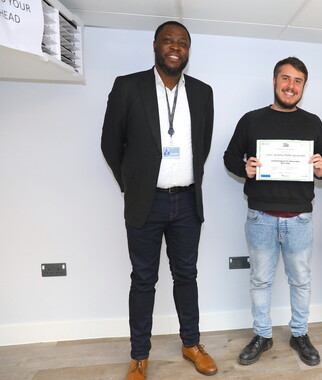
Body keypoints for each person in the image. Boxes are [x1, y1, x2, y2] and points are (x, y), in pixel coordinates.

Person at [101, 21, 217, 379]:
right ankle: (139, 355)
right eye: (168, 40)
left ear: (187, 51)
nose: (175, 47)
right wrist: (133, 184)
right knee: (143, 280)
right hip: (145, 203)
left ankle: (191, 344)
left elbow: (204, 144)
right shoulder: (127, 87)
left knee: (187, 276)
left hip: (186, 203)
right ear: (155, 45)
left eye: (182, 42)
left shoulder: (202, 92)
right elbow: (110, 144)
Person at [223, 57, 322, 367]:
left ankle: (299, 334)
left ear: (303, 87)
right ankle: (263, 334)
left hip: (299, 218)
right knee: (260, 281)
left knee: (301, 281)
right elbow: (230, 157)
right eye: (285, 78)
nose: (291, 86)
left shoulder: (313, 122)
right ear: (274, 81)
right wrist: (245, 168)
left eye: (298, 81)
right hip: (260, 217)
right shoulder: (251, 120)